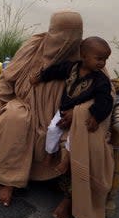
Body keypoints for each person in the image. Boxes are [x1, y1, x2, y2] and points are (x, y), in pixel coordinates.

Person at [0, 10, 114, 218]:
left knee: (84, 139)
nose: (65, 42)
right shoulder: (34, 48)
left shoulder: (88, 60)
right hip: (27, 107)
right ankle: (8, 182)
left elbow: (106, 96)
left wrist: (78, 113)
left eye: (73, 36)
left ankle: (70, 199)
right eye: (60, 34)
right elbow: (7, 81)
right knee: (14, 117)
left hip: (65, 118)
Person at [32, 36, 113, 177]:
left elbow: (105, 100)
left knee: (74, 137)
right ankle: (49, 154)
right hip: (63, 110)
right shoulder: (70, 68)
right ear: (83, 56)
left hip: (82, 115)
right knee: (52, 129)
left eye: (105, 59)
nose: (102, 63)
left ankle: (66, 160)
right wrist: (40, 77)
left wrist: (96, 116)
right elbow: (54, 71)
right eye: (99, 59)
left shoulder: (101, 80)